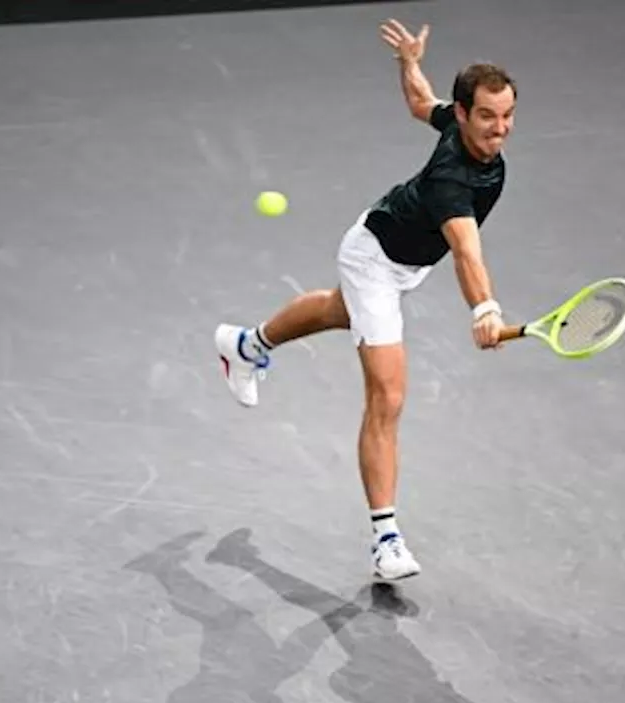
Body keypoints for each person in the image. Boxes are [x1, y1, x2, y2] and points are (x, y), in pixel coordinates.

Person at [214, 18, 516, 582]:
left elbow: (419, 101)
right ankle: (386, 538)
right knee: (389, 396)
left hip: (396, 256)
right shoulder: (455, 178)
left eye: (507, 116)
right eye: (487, 116)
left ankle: (245, 345)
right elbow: (467, 252)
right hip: (374, 260)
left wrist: (408, 61)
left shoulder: (456, 123)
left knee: (337, 309)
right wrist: (485, 308)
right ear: (467, 110)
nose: (500, 129)